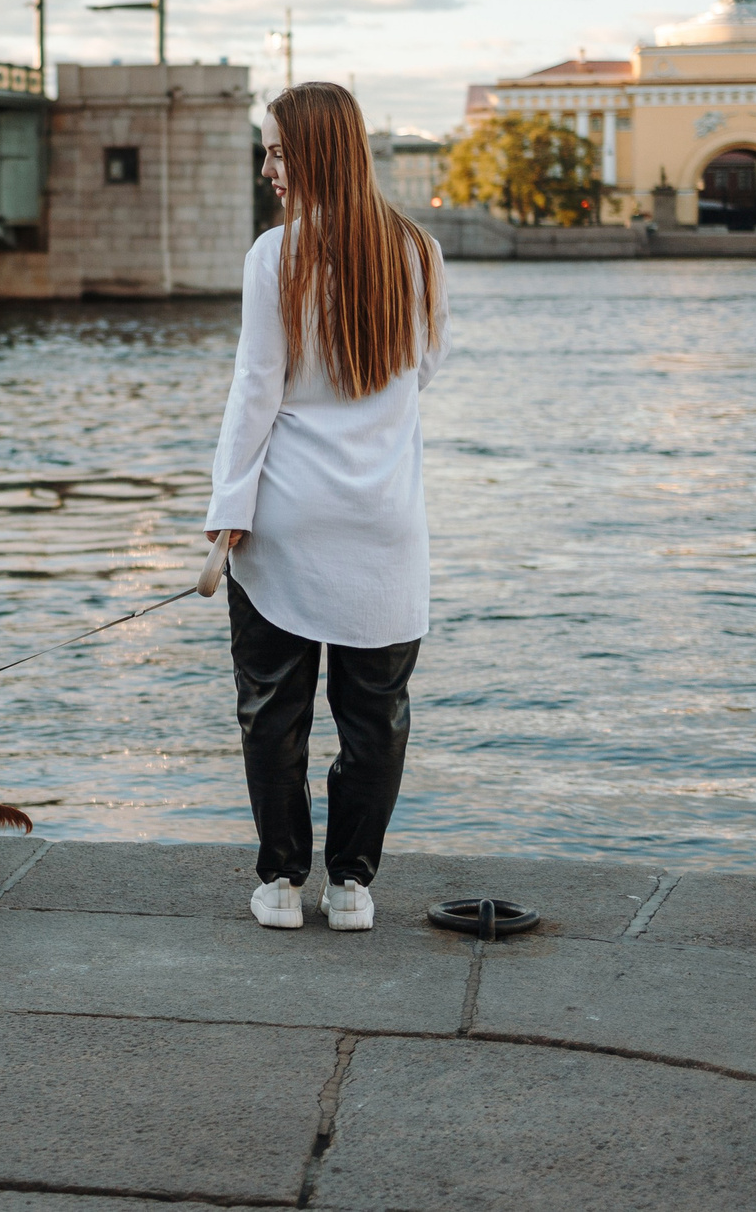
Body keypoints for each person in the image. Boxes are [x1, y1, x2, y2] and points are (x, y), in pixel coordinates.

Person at [204, 81, 447, 931]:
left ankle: (280, 881)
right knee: (374, 716)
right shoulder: (418, 250)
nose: (269, 166)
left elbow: (254, 394)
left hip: (286, 517)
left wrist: (226, 504)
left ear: (312, 153)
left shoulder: (277, 256)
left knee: (274, 710)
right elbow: (423, 371)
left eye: (277, 150)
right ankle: (351, 886)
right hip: (384, 523)